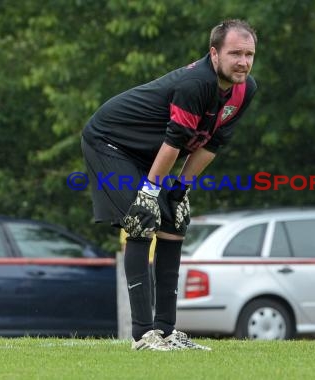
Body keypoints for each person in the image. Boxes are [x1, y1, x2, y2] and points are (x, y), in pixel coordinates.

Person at [82, 19, 257, 350]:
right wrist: (149, 193)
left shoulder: (245, 89)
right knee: (141, 219)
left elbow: (211, 144)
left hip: (151, 153)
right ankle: (143, 336)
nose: (243, 62)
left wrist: (181, 190)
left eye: (249, 54)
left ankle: (166, 332)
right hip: (109, 142)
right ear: (214, 53)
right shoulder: (196, 83)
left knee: (175, 221)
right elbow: (174, 141)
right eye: (235, 53)